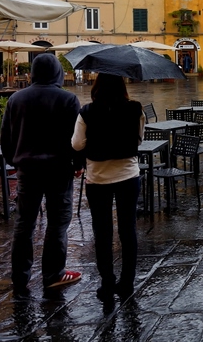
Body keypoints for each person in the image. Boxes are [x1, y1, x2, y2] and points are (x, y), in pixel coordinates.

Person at [0, 54, 84, 296]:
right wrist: (78, 164)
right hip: (59, 170)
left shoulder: (16, 99)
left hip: (27, 171)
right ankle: (54, 274)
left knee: (24, 224)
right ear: (58, 72)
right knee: (58, 223)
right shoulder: (68, 99)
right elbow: (76, 138)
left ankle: (20, 277)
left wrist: (15, 162)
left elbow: (6, 139)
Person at [71, 73, 145, 301]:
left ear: (97, 86)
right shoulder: (136, 109)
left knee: (102, 232)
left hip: (98, 179)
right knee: (128, 230)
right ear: (122, 86)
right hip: (128, 175)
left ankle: (107, 282)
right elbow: (139, 139)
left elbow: (77, 144)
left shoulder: (87, 112)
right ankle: (127, 282)